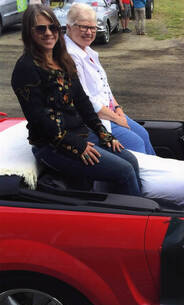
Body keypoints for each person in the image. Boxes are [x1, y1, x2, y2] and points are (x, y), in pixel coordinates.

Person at [11, 4, 141, 196]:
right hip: (52, 145)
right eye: (41, 28)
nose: (48, 33)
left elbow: (83, 103)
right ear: (29, 33)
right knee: (124, 171)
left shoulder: (63, 60)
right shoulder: (26, 68)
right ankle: (135, 217)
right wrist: (75, 145)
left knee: (131, 161)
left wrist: (102, 133)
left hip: (81, 133)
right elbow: (39, 118)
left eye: (53, 27)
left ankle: (123, 205)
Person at [65, 3, 155, 155]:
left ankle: (157, 174)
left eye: (93, 27)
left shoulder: (86, 50)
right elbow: (85, 100)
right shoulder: (70, 56)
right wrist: (116, 118)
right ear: (68, 27)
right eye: (83, 27)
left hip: (108, 111)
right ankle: (142, 178)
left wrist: (118, 108)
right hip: (92, 119)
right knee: (136, 143)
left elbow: (104, 86)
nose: (89, 32)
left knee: (144, 135)